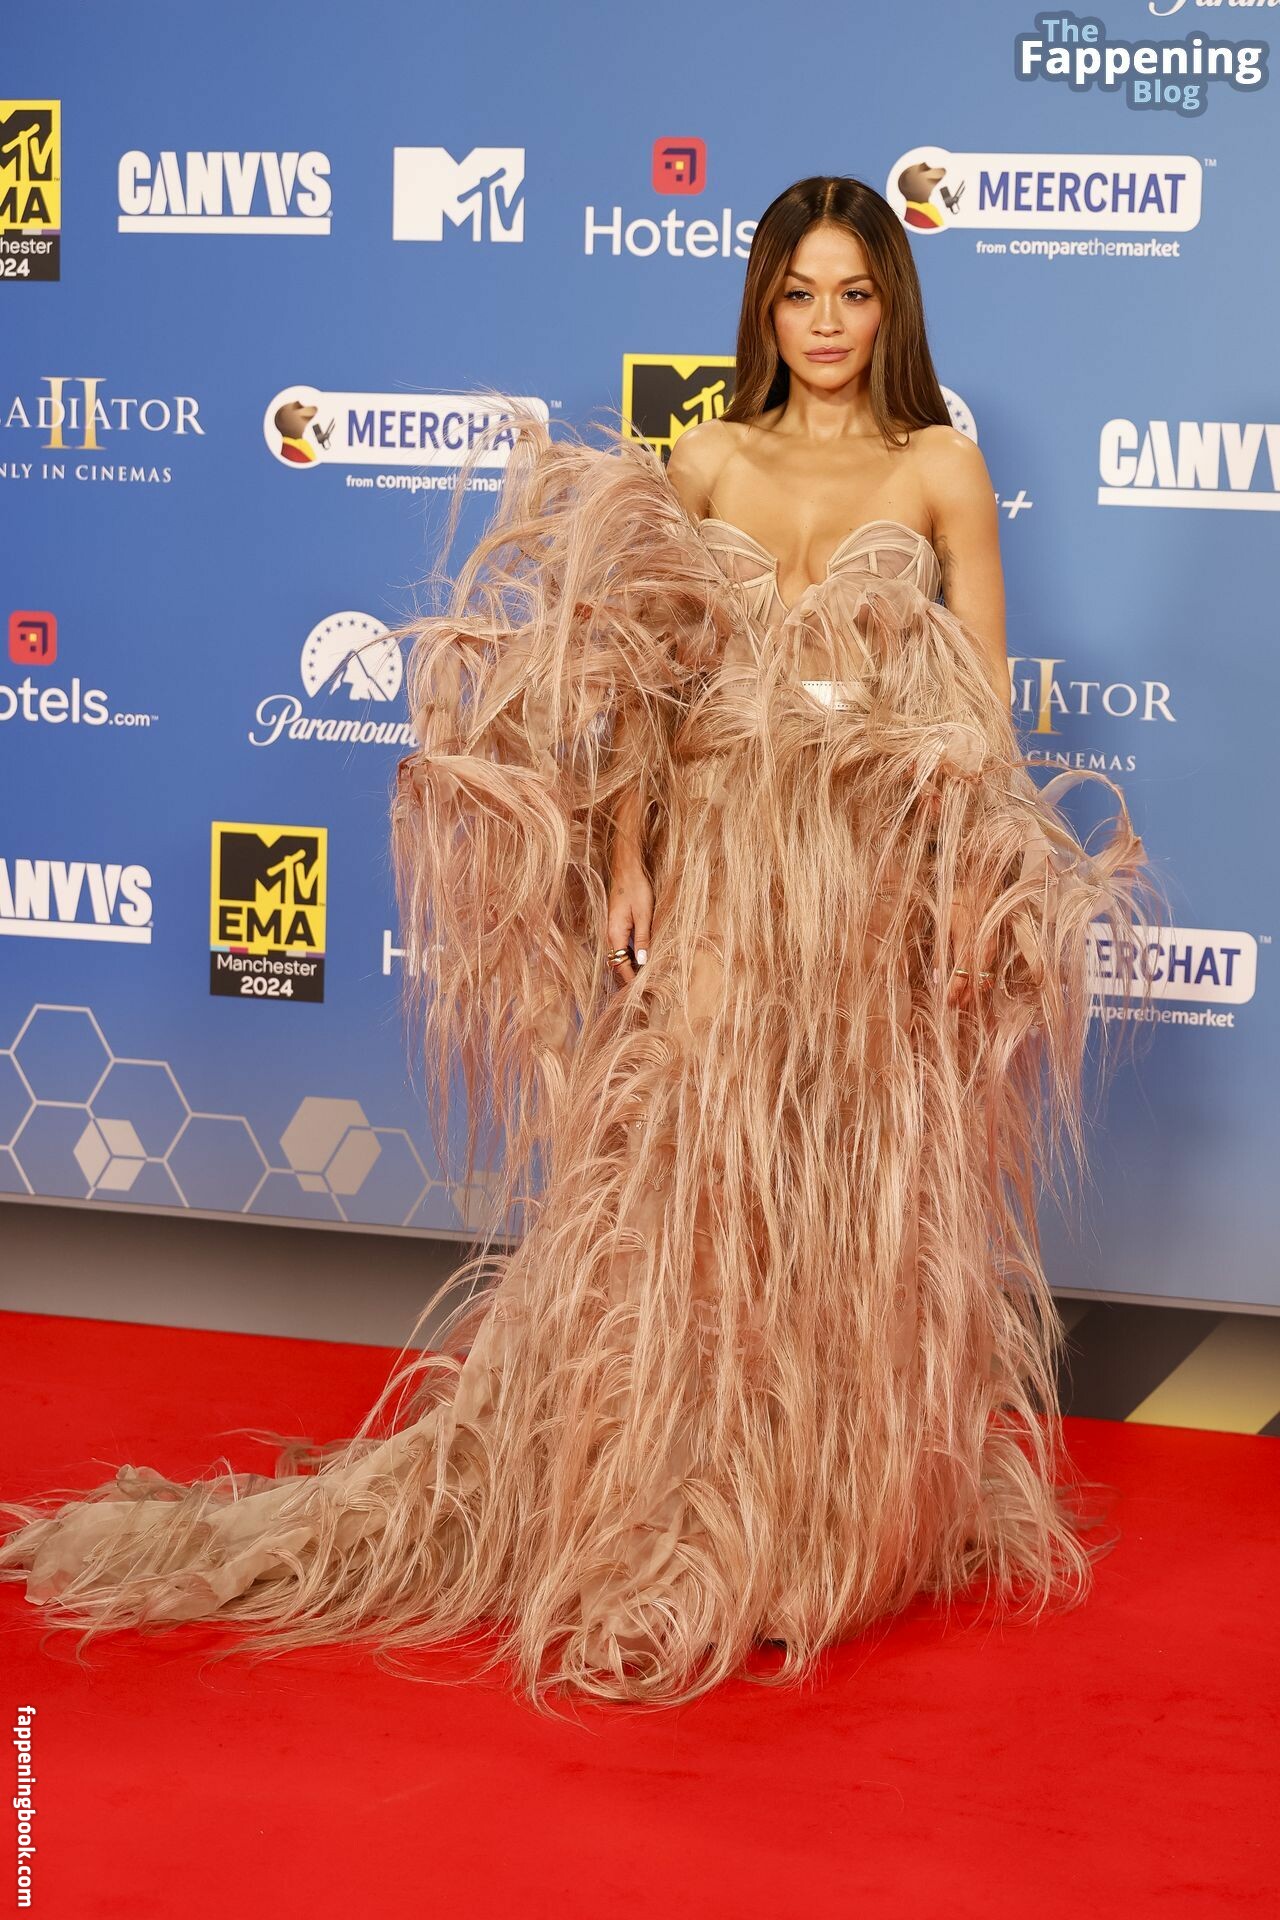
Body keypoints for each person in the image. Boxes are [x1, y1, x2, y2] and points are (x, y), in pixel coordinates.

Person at [0, 175, 1163, 1714]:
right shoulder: (705, 457)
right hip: (718, 864)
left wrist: (971, 887)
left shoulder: (941, 466)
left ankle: (813, 1529)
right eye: (798, 293)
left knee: (833, 1197)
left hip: (863, 882)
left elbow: (984, 717)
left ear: (892, 305)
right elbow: (645, 689)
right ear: (763, 306)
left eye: (853, 293)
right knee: (700, 1196)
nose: (824, 323)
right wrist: (625, 865)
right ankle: (683, 1512)